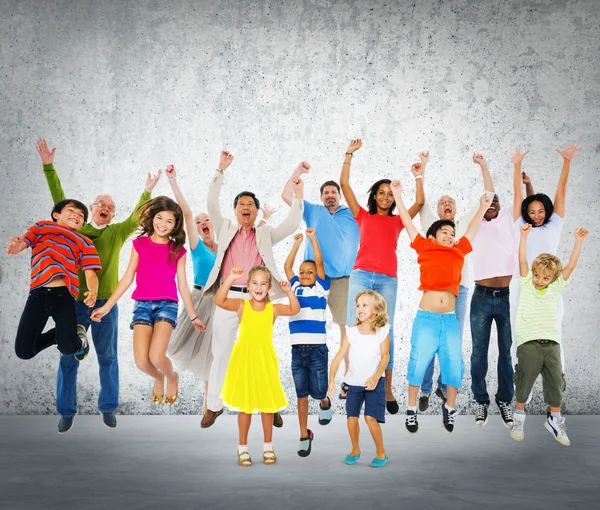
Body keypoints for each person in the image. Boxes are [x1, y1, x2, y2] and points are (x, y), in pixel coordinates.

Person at [38, 138, 158, 432]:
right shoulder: (74, 229)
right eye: (101, 203)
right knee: (68, 356)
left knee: (108, 357)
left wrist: (148, 190)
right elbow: (61, 201)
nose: (105, 207)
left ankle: (108, 408)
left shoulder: (116, 232)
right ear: (90, 209)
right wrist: (49, 167)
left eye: (111, 206)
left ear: (113, 214)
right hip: (74, 303)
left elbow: (136, 218)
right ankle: (66, 411)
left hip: (105, 304)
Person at [200, 152, 304, 428]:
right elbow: (211, 202)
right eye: (241, 204)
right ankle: (213, 406)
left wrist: (298, 194)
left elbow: (292, 224)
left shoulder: (265, 234)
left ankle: (269, 404)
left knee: (262, 353)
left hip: (258, 300)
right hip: (227, 298)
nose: (246, 207)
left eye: (250, 204)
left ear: (257, 212)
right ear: (235, 211)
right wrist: (220, 170)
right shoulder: (224, 228)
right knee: (221, 352)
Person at [390, 176, 489, 433]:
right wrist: (399, 197)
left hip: (449, 320)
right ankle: (411, 410)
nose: (450, 235)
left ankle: (449, 409)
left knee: (454, 363)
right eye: (445, 232)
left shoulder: (459, 250)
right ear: (433, 235)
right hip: (427, 318)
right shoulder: (424, 246)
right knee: (418, 361)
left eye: (452, 233)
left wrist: (482, 206)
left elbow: (473, 228)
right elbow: (407, 222)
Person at [91, 196, 205, 408]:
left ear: (176, 225)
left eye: (169, 221)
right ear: (152, 218)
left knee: (156, 356)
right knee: (142, 362)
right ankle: (157, 378)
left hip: (166, 305)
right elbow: (127, 278)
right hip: (142, 305)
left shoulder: (177, 250)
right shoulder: (139, 244)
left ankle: (171, 376)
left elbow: (182, 285)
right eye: (159, 218)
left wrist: (194, 316)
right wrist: (106, 307)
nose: (163, 224)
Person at [340, 139, 424, 413]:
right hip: (362, 275)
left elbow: (420, 201)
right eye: (382, 193)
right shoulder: (362, 215)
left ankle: (386, 388)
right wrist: (349, 154)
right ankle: (351, 378)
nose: (386, 197)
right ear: (375, 195)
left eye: (390, 194)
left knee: (385, 329)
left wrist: (418, 175)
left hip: (387, 278)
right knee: (355, 326)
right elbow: (345, 186)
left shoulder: (398, 221)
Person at [417, 152, 495, 411]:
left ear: (456, 210)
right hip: (432, 293)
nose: (446, 204)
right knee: (429, 342)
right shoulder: (430, 225)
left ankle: (441, 384)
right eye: (442, 202)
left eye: (450, 202)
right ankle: (426, 389)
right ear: (438, 211)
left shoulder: (462, 227)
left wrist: (483, 165)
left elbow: (488, 197)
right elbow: (423, 200)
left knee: (452, 341)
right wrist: (423, 167)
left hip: (458, 291)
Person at [510, 144, 581, 397]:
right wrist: (516, 164)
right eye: (531, 212)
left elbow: (561, 190)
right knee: (519, 330)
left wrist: (567, 161)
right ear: (525, 213)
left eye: (540, 211)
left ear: (547, 211)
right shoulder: (520, 224)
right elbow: (517, 195)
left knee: (553, 329)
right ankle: (522, 378)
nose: (536, 215)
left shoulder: (555, 225)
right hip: (523, 283)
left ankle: (557, 377)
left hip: (550, 285)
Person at [510, 225, 588, 445]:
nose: (539, 280)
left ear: (553, 279)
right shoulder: (526, 284)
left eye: (545, 278)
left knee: (556, 382)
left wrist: (578, 242)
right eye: (537, 275)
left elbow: (571, 265)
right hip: (529, 343)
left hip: (552, 343)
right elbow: (522, 260)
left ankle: (554, 420)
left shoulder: (555, 287)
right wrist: (523, 237)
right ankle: (519, 418)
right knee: (524, 381)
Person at [281, 165, 359, 382]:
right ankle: (311, 376)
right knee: (308, 322)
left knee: (348, 327)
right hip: (314, 280)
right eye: (326, 193)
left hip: (343, 279)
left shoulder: (351, 212)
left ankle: (350, 376)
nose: (330, 195)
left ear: (340, 196)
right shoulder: (312, 210)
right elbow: (286, 194)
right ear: (321, 197)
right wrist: (297, 172)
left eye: (334, 192)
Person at [216, 266, 300, 466]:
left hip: (265, 361)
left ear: (269, 287)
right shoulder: (241, 305)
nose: (258, 287)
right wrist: (229, 279)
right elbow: (218, 300)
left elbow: (294, 309)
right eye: (254, 283)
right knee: (245, 407)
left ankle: (268, 446)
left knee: (267, 406)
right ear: (248, 286)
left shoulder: (273, 309)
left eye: (263, 283)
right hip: (243, 360)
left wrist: (289, 292)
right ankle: (242, 448)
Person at [8, 199, 100, 371]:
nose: (76, 215)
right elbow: (23, 242)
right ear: (56, 215)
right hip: (38, 295)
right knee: (24, 351)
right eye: (71, 210)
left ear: (82, 224)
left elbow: (90, 271)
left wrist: (93, 291)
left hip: (64, 296)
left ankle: (77, 338)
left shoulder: (84, 242)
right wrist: (16, 247)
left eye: (81, 215)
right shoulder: (41, 227)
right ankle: (59, 335)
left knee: (68, 349)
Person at [470, 185, 517, 428]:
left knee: (506, 352)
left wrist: (524, 178)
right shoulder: (476, 224)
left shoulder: (508, 218)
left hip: (507, 296)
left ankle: (504, 400)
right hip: (482, 296)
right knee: (479, 352)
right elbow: (486, 192)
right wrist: (483, 167)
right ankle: (481, 400)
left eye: (496, 200)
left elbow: (520, 197)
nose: (492, 203)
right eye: (488, 200)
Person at [284, 229, 333, 457]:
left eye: (309, 272)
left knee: (318, 391)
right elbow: (287, 267)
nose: (304, 274)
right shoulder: (295, 288)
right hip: (297, 351)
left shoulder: (322, 289)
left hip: (317, 351)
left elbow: (320, 263)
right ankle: (304, 435)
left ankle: (324, 402)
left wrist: (313, 239)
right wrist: (296, 244)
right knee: (301, 395)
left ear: (317, 275)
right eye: (302, 272)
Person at [329, 290, 391, 468]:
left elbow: (385, 357)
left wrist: (376, 376)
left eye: (365, 305)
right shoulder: (351, 332)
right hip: (353, 383)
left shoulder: (382, 331)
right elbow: (338, 357)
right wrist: (332, 379)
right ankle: (355, 449)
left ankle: (381, 452)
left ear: (376, 310)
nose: (360, 308)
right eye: (358, 305)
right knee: (351, 419)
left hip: (374, 383)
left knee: (370, 419)